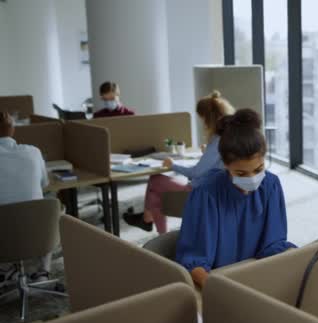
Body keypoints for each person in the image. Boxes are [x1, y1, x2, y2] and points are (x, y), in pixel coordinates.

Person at [176, 109, 296, 288]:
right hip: (217, 284)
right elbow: (194, 261)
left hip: (256, 278)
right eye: (241, 173)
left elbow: (272, 244)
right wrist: (223, 291)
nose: (252, 179)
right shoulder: (206, 194)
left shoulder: (271, 185)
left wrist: (297, 256)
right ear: (225, 165)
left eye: (258, 170)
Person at [123, 91, 234, 234]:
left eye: (202, 120)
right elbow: (215, 163)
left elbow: (195, 173)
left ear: (208, 119)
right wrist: (206, 153)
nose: (203, 125)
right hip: (215, 190)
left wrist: (172, 165)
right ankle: (150, 223)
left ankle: (147, 220)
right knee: (156, 196)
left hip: (202, 194)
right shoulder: (229, 137)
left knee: (155, 180)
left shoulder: (217, 140)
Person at [0, 112, 52, 288]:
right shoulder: (34, 152)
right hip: (38, 235)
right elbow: (45, 184)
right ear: (13, 130)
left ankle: (6, 269)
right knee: (50, 207)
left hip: (4, 237)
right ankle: (42, 272)